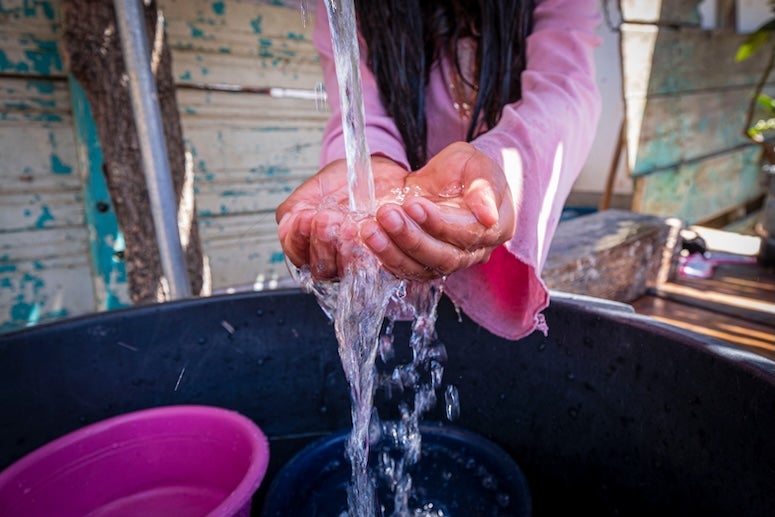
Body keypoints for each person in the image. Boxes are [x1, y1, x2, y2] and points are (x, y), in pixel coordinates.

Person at [276, 0, 602, 340]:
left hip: (495, 234)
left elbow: (564, 89)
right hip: (390, 251)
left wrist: (497, 166)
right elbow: (357, 112)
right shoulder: (347, 7)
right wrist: (368, 170)